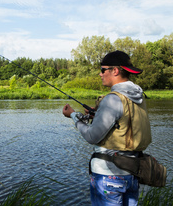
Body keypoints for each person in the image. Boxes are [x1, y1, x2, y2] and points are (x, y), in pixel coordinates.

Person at [63, 50, 151, 206]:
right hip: (132, 173)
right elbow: (125, 123)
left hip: (109, 175)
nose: (100, 74)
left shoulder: (113, 99)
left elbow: (91, 136)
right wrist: (97, 115)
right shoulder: (138, 96)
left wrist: (73, 116)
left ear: (115, 70)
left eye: (103, 70)